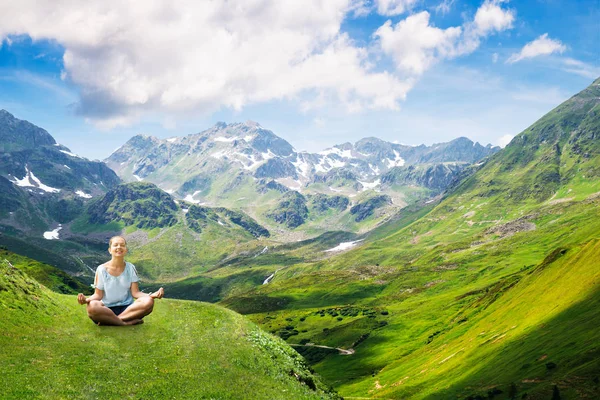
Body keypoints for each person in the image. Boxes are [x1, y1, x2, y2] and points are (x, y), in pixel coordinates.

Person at [77, 236, 164, 326]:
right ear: (110, 250)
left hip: (128, 309)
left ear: (126, 250)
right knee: (92, 306)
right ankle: (124, 323)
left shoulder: (130, 268)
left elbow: (136, 293)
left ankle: (112, 321)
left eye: (122, 245)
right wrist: (86, 300)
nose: (119, 247)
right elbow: (98, 295)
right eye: (115, 245)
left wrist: (152, 295)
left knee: (148, 301)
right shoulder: (101, 269)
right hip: (106, 309)